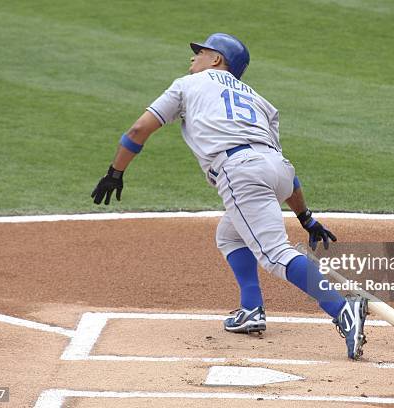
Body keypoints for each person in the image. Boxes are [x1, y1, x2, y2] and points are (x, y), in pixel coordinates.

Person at [91, 33, 369, 360]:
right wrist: (306, 218)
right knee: (230, 235)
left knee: (275, 254)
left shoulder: (187, 84)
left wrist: (115, 172)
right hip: (277, 171)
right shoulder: (259, 100)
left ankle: (342, 309)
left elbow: (139, 130)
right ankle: (252, 309)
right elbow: (282, 170)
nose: (192, 58)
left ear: (217, 60)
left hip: (240, 172)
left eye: (201, 52)